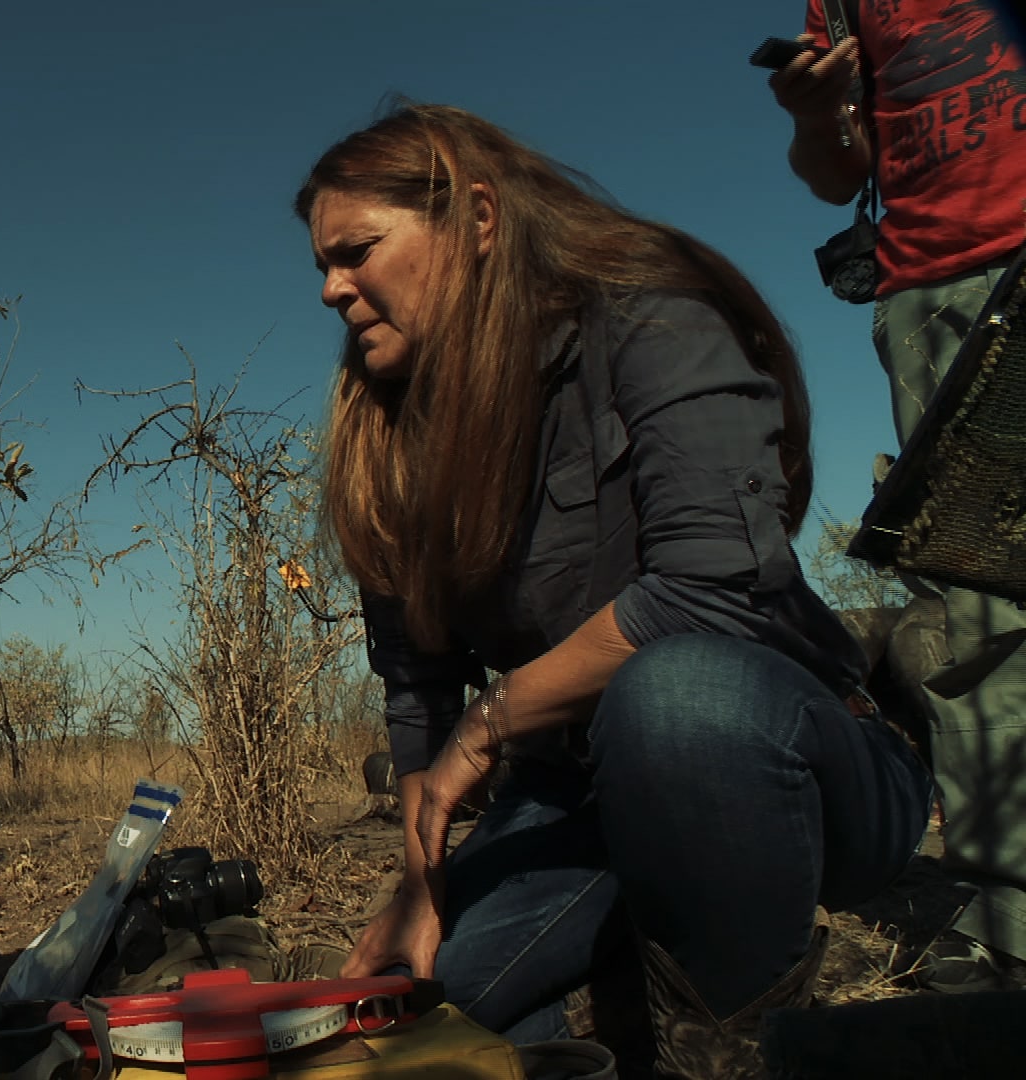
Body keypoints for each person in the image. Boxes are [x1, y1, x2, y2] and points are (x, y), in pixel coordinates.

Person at [296, 104, 933, 1077]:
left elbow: (706, 592)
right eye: (322, 266)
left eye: (358, 251)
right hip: (569, 791)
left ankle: (728, 1047)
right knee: (429, 1011)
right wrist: (418, 887)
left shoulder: (650, 311)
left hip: (770, 754)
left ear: (476, 217)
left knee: (678, 696)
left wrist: (493, 720)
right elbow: (419, 689)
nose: (334, 288)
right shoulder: (385, 438)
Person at [768, 0, 1026, 992]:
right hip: (934, 291)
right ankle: (1007, 921)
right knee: (982, 606)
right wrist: (813, 113)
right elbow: (839, 172)